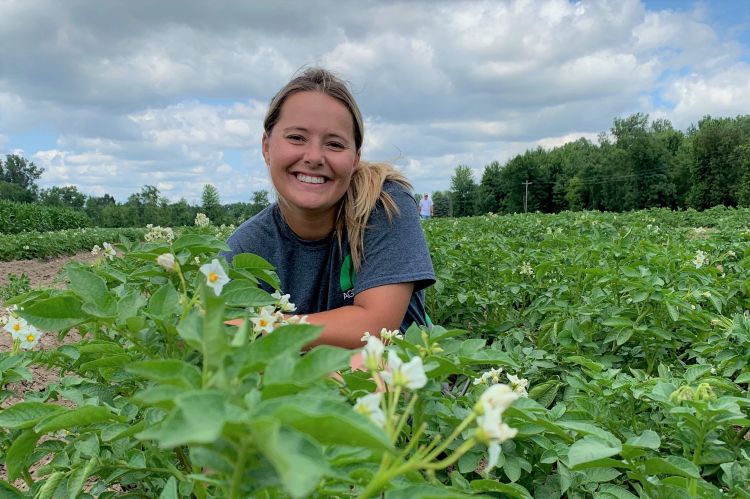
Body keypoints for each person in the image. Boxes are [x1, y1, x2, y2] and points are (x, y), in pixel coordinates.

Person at [223, 68, 435, 349]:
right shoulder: (245, 248)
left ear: (355, 157)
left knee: (368, 369)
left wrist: (265, 326)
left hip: (395, 376)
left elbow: (374, 327)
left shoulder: (383, 204)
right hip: (298, 381)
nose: (313, 157)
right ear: (266, 147)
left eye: (335, 144)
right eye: (296, 138)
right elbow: (213, 333)